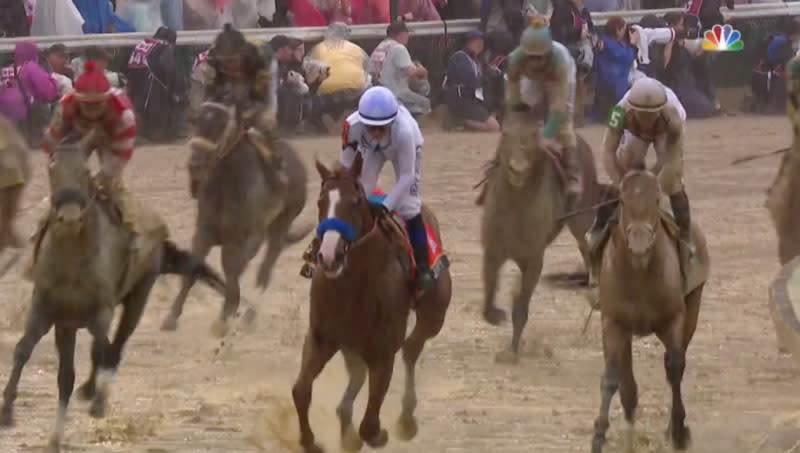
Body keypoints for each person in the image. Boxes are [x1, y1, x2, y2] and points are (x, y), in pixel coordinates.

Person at [299, 86, 434, 292]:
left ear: (392, 122)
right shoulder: (351, 127)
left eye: (382, 127)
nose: (377, 132)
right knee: (356, 194)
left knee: (409, 207)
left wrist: (386, 206)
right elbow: (346, 172)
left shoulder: (405, 131)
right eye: (371, 127)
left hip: (404, 150)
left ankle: (423, 267)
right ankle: (321, 247)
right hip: (372, 150)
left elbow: (406, 176)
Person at [586, 76, 692, 283]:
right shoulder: (619, 112)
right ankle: (596, 234)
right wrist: (622, 184)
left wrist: (653, 189)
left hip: (665, 137)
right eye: (641, 115)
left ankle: (686, 241)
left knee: (674, 184)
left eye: (651, 116)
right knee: (625, 163)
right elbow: (608, 153)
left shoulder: (674, 118)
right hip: (634, 134)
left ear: (660, 111)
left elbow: (671, 162)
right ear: (631, 109)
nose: (646, 121)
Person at [31, 60, 139, 252]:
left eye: (98, 106)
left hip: (110, 135)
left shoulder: (124, 115)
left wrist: (101, 178)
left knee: (113, 187)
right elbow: (50, 147)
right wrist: (64, 168)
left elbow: (121, 156)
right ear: (77, 101)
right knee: (65, 178)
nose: (92, 113)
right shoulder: (65, 107)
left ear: (106, 101)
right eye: (87, 106)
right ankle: (44, 223)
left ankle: (130, 229)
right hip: (76, 133)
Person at [199, 24, 287, 204]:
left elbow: (264, 96)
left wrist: (254, 114)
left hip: (255, 92)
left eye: (233, 60)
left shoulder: (259, 59)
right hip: (227, 92)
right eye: (225, 61)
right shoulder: (213, 62)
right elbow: (209, 94)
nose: (229, 66)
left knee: (265, 122)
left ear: (242, 54)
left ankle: (276, 167)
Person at [503, 17, 581, 198]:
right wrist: (520, 125)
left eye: (540, 58)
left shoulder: (560, 61)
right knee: (520, 121)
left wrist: (547, 135)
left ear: (548, 53)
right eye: (530, 57)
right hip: (531, 80)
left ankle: (572, 174)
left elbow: (559, 107)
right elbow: (514, 101)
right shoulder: (514, 61)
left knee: (564, 126)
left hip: (558, 78)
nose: (535, 62)